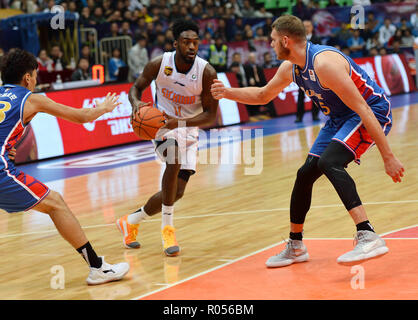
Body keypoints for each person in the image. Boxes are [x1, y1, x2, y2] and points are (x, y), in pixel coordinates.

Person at [211, 15, 404, 267]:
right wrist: (226, 92)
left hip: (371, 110)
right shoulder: (290, 67)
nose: (269, 45)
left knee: (329, 162)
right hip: (339, 117)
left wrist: (388, 156)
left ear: (285, 40)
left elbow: (364, 110)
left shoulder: (324, 63)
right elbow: (262, 95)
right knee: (305, 174)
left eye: (272, 40)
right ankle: (296, 245)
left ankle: (368, 235)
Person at [0, 48, 129, 284]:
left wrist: (7, 147)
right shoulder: (32, 98)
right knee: (56, 204)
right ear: (27, 77)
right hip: (1, 173)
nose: (36, 80)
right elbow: (81, 117)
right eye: (35, 76)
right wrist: (104, 108)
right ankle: (97, 267)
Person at [116, 20, 219, 256]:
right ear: (176, 44)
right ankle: (168, 228)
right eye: (186, 42)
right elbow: (135, 88)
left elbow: (210, 116)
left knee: (176, 192)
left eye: (195, 42)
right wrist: (135, 103)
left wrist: (180, 123)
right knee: (172, 159)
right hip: (161, 125)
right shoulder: (159, 64)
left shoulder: (206, 72)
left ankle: (131, 220)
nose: (192, 46)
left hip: (189, 128)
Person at [295, 20, 321, 123]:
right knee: (301, 94)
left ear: (312, 27)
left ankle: (315, 115)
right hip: (301, 70)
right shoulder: (298, 39)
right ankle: (299, 116)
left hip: (314, 70)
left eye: (308, 26)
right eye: (304, 26)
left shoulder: (317, 38)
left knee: (316, 94)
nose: (306, 28)